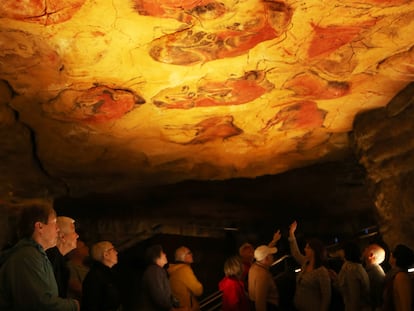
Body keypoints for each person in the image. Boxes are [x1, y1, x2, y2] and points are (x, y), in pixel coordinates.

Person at [0, 202, 79, 310]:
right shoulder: (27, 257)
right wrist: (74, 306)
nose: (58, 229)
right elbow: (39, 304)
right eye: (54, 223)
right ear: (40, 227)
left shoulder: (36, 255)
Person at [288, 220, 331, 311]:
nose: (304, 249)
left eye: (307, 247)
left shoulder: (321, 272)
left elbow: (326, 297)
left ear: (314, 251)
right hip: (297, 307)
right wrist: (291, 234)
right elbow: (295, 253)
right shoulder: (305, 263)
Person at [81, 240, 121, 311]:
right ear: (105, 255)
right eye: (113, 249)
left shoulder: (106, 274)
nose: (116, 252)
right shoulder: (95, 277)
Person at [138, 244, 179, 311]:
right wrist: (171, 308)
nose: (165, 254)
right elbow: (160, 297)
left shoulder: (155, 270)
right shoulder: (154, 271)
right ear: (156, 256)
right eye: (162, 253)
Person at [46, 216, 79, 298]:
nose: (77, 235)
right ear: (62, 237)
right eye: (73, 231)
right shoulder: (51, 259)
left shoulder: (59, 259)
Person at [335, 241, 370, 311]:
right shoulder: (356, 266)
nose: (339, 252)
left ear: (346, 251)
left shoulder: (351, 269)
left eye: (341, 249)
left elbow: (354, 297)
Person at [168, 246, 203, 311]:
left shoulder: (174, 271)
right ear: (183, 257)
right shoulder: (184, 270)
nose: (192, 254)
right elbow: (198, 290)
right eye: (189, 253)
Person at [248, 243, 280, 311]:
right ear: (266, 258)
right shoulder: (262, 275)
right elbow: (260, 302)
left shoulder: (254, 266)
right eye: (271, 255)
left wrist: (274, 241)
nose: (273, 257)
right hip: (268, 306)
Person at [382, 244, 414, 311]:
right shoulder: (394, 275)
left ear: (396, 258)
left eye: (392, 254)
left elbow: (405, 305)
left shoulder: (401, 277)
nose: (390, 255)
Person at [362, 243, 386, 311]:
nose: (365, 249)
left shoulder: (375, 274)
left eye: (368, 248)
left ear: (371, 255)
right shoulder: (372, 271)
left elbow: (376, 299)